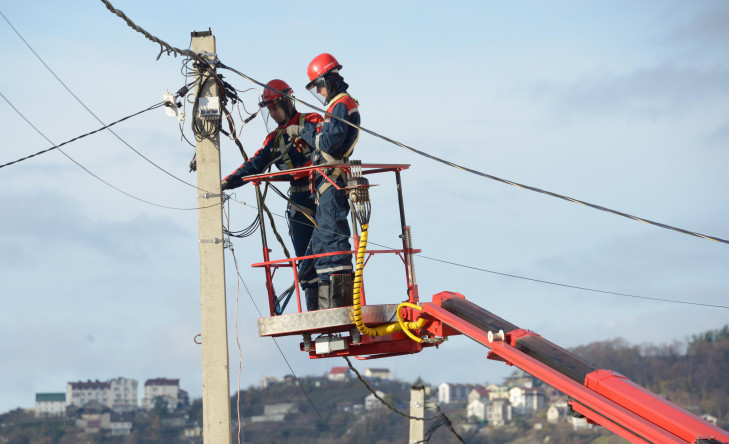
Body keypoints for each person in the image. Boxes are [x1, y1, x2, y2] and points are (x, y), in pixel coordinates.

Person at [221, 79, 323, 311]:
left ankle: (337, 299)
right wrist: (227, 183)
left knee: (331, 250)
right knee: (304, 258)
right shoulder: (275, 140)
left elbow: (328, 146)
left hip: (322, 195)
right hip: (299, 201)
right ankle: (315, 309)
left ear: (287, 102)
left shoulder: (313, 123)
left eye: (275, 108)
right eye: (269, 110)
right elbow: (255, 164)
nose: (273, 114)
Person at [286, 53, 360, 309]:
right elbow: (326, 135)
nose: (319, 91)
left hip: (332, 181)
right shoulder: (335, 106)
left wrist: (304, 131)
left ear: (329, 79)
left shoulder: (341, 104)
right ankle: (317, 306)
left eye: (319, 85)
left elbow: (328, 142)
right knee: (315, 248)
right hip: (323, 184)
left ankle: (337, 305)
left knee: (333, 237)